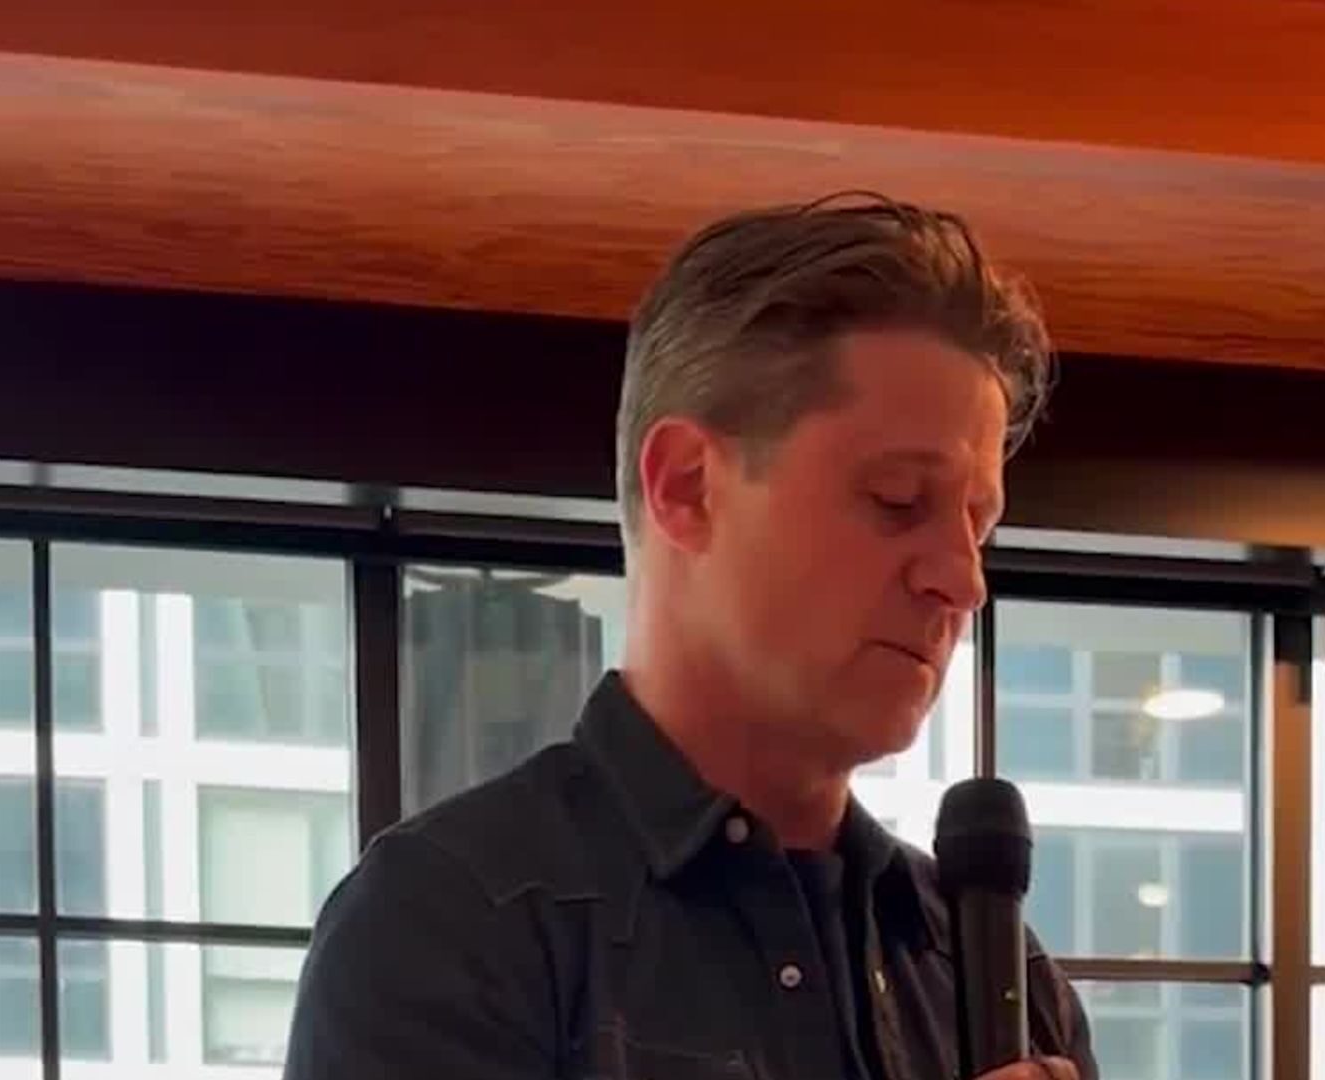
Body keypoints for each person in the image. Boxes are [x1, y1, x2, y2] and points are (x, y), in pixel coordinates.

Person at [283, 193, 1096, 1080]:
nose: (963, 580)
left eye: (978, 526)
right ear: (684, 485)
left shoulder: (1007, 982)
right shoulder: (450, 924)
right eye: (898, 500)